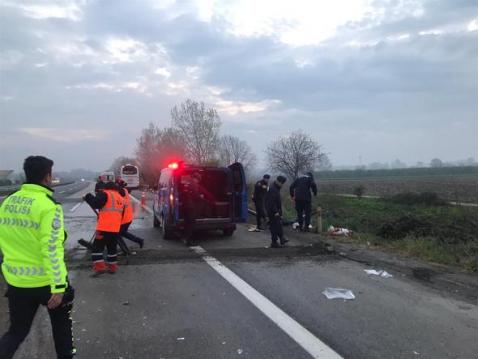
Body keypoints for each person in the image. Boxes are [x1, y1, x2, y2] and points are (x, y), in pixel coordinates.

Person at [0, 156, 76, 359]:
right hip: (46, 283)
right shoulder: (48, 206)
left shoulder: (8, 202)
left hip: (17, 282)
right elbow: (52, 249)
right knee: (62, 329)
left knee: (16, 332)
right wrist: (59, 287)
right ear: (47, 176)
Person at [84, 181, 124, 275]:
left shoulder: (105, 193)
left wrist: (88, 196)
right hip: (115, 228)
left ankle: (100, 267)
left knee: (97, 248)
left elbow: (95, 203)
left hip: (104, 228)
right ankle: (112, 267)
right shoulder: (119, 197)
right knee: (112, 249)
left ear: (106, 188)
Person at [117, 179, 144, 248]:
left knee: (118, 233)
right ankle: (139, 241)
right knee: (122, 233)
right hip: (128, 216)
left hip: (125, 218)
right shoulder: (125, 190)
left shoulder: (120, 192)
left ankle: (125, 248)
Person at [265, 175, 288, 248]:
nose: (282, 185)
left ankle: (281, 239)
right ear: (278, 181)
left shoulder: (275, 188)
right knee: (274, 226)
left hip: (274, 210)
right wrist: (276, 212)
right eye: (281, 183)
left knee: (278, 225)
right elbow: (272, 202)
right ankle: (274, 242)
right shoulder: (273, 189)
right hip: (273, 211)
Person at [181, 172, 203, 246]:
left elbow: (183, 194)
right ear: (196, 178)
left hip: (185, 206)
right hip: (190, 206)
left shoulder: (187, 183)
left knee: (186, 223)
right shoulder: (194, 184)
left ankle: (185, 238)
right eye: (198, 179)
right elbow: (195, 195)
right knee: (191, 223)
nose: (198, 181)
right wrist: (201, 197)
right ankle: (189, 241)